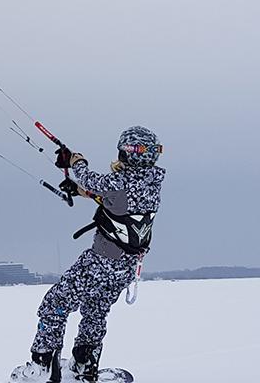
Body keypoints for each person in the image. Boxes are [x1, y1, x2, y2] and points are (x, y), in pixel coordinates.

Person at [12, 126, 164, 382]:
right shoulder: (151, 183)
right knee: (95, 311)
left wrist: (76, 161)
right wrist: (79, 191)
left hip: (100, 263)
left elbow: (90, 179)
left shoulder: (120, 182)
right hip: (125, 269)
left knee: (54, 306)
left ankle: (42, 368)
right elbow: (112, 199)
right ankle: (84, 368)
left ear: (126, 152)